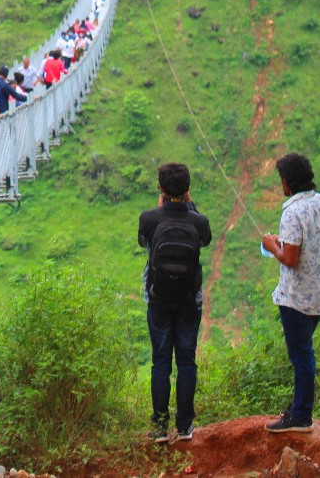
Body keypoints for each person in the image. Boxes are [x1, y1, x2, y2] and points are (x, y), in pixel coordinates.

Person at [138, 163, 211, 443]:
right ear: (188, 189)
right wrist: (190, 205)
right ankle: (184, 427)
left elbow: (144, 242)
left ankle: (159, 427)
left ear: (161, 188)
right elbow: (204, 241)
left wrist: (160, 207)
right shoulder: (199, 221)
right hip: (189, 300)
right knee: (186, 361)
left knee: (160, 362)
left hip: (157, 298)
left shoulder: (149, 218)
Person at [261, 154, 320, 434]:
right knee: (305, 353)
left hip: (296, 297)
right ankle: (300, 408)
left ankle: (301, 416)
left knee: (301, 357)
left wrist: (272, 244)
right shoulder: (318, 202)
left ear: (287, 181)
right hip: (317, 294)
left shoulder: (292, 212)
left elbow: (290, 257)